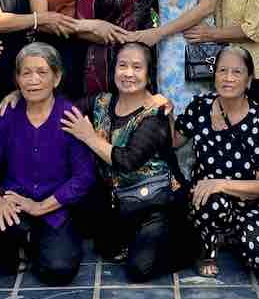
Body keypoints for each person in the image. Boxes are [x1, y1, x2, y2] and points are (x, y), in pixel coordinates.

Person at [61, 42, 194, 282]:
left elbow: (128, 160)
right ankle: (132, 237)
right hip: (121, 202)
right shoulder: (101, 102)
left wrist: (89, 136)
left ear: (148, 74)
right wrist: (21, 93)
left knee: (138, 270)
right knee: (106, 248)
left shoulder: (156, 114)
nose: (128, 73)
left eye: (137, 67)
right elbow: (60, 111)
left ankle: (191, 246)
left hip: (156, 202)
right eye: (122, 65)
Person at [0, 42, 96, 285]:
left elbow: (83, 177)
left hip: (55, 207)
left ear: (57, 77)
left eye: (42, 73)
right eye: (26, 73)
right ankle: (27, 242)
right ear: (17, 79)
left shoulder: (69, 115)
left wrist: (40, 207)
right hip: (15, 202)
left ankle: (39, 242)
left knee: (59, 270)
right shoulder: (7, 114)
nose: (33, 80)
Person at [175, 46, 259, 277]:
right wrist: (164, 110)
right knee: (210, 196)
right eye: (222, 70)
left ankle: (232, 235)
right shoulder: (201, 107)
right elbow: (174, 141)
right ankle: (208, 249)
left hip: (250, 201)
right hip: (208, 200)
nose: (228, 78)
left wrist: (220, 183)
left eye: (237, 72)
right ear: (214, 75)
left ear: (249, 79)